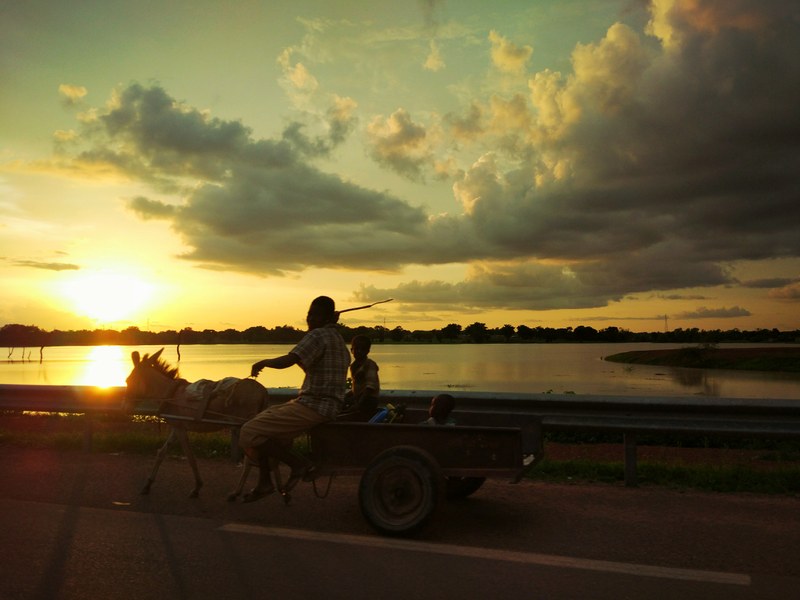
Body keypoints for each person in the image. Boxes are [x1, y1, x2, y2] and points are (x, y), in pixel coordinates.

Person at [238, 295, 350, 501]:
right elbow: (311, 365)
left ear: (327, 317)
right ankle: (265, 483)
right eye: (309, 315)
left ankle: (299, 464)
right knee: (264, 424)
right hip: (326, 406)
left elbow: (289, 360)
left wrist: (263, 362)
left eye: (315, 315)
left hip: (314, 405)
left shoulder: (317, 335)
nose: (310, 319)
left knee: (249, 431)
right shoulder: (339, 341)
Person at [344, 334, 380, 417]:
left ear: (367, 351)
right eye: (356, 349)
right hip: (359, 398)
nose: (359, 351)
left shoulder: (369, 364)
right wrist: (345, 396)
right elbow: (356, 388)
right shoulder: (353, 366)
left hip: (369, 400)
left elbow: (370, 388)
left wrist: (358, 404)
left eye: (363, 349)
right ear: (352, 350)